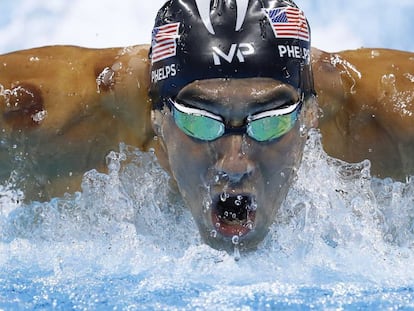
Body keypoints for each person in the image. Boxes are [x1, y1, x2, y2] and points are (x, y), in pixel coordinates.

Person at [0, 0, 413, 251]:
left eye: (268, 123)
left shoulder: (393, 121)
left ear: (309, 119)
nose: (235, 163)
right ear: (157, 122)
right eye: (201, 121)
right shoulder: (46, 122)